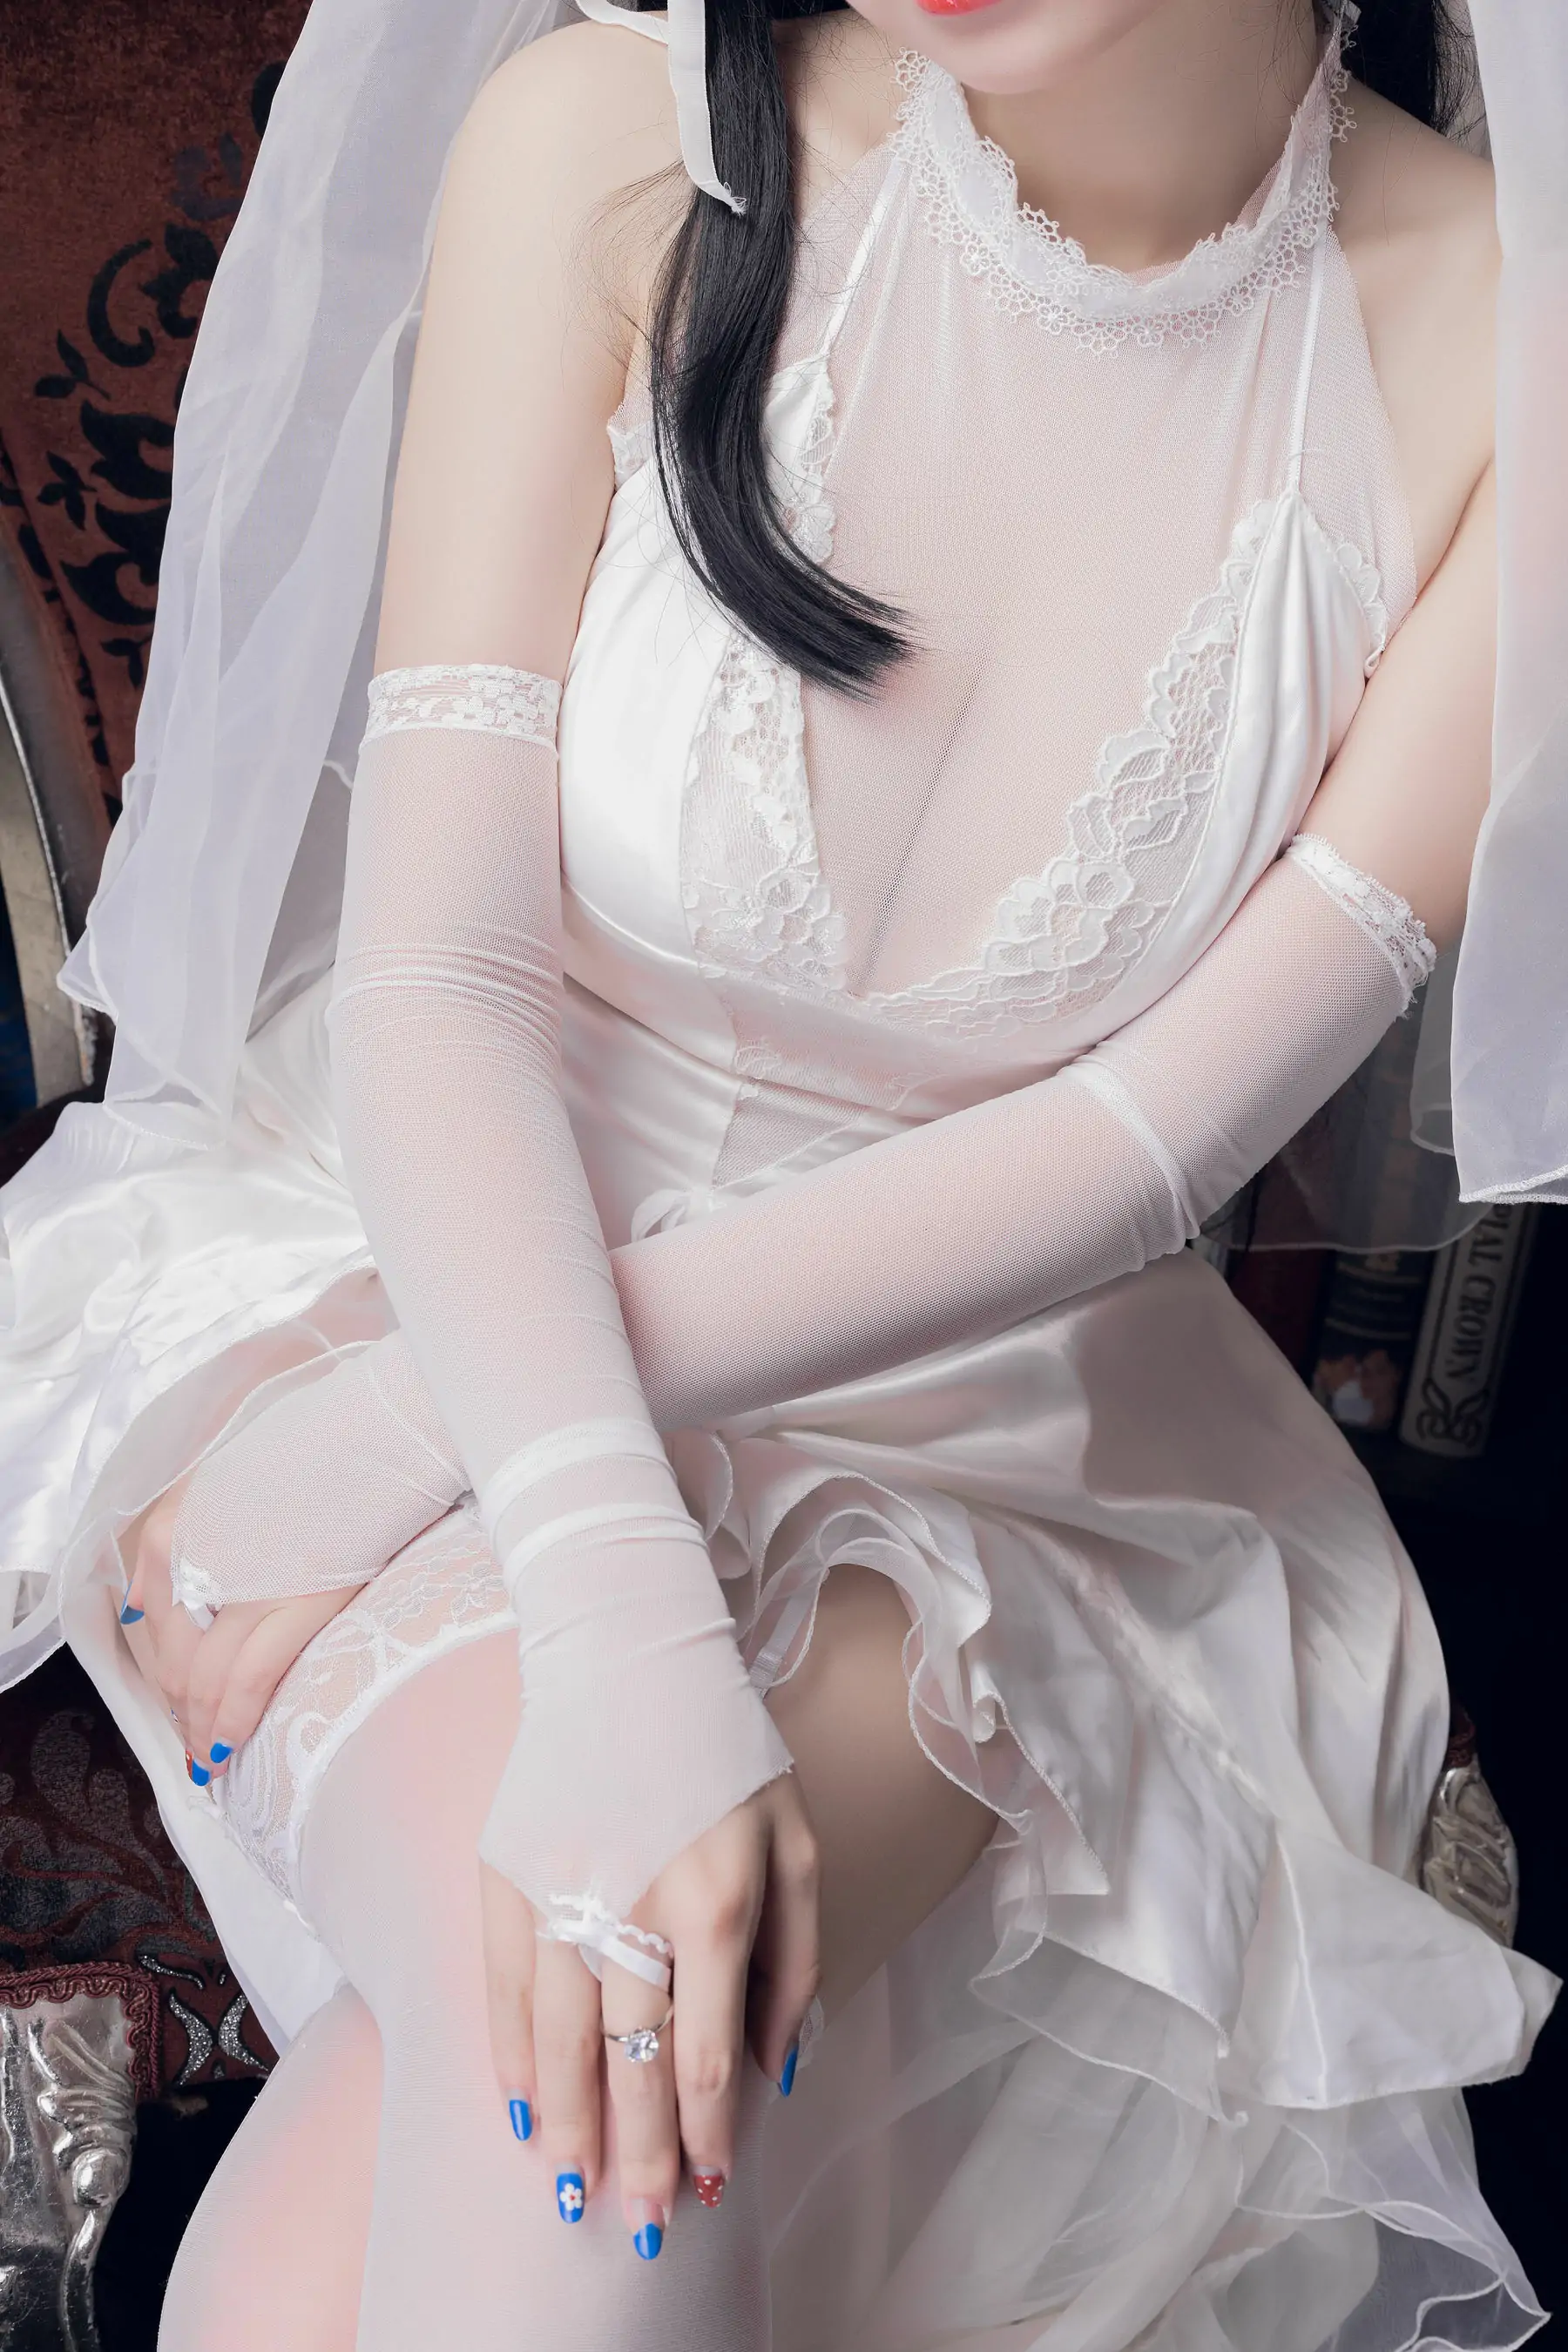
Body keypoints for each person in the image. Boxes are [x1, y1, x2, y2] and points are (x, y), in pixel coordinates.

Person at [0, 0, 1561, 2342]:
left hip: (1000, 1430)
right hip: (405, 1246)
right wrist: (585, 1555)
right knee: (601, 2059)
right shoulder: (607, 142)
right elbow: (440, 979)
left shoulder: (1521, 355)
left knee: (602, 2079)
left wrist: (427, 1444)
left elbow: (1157, 1132)